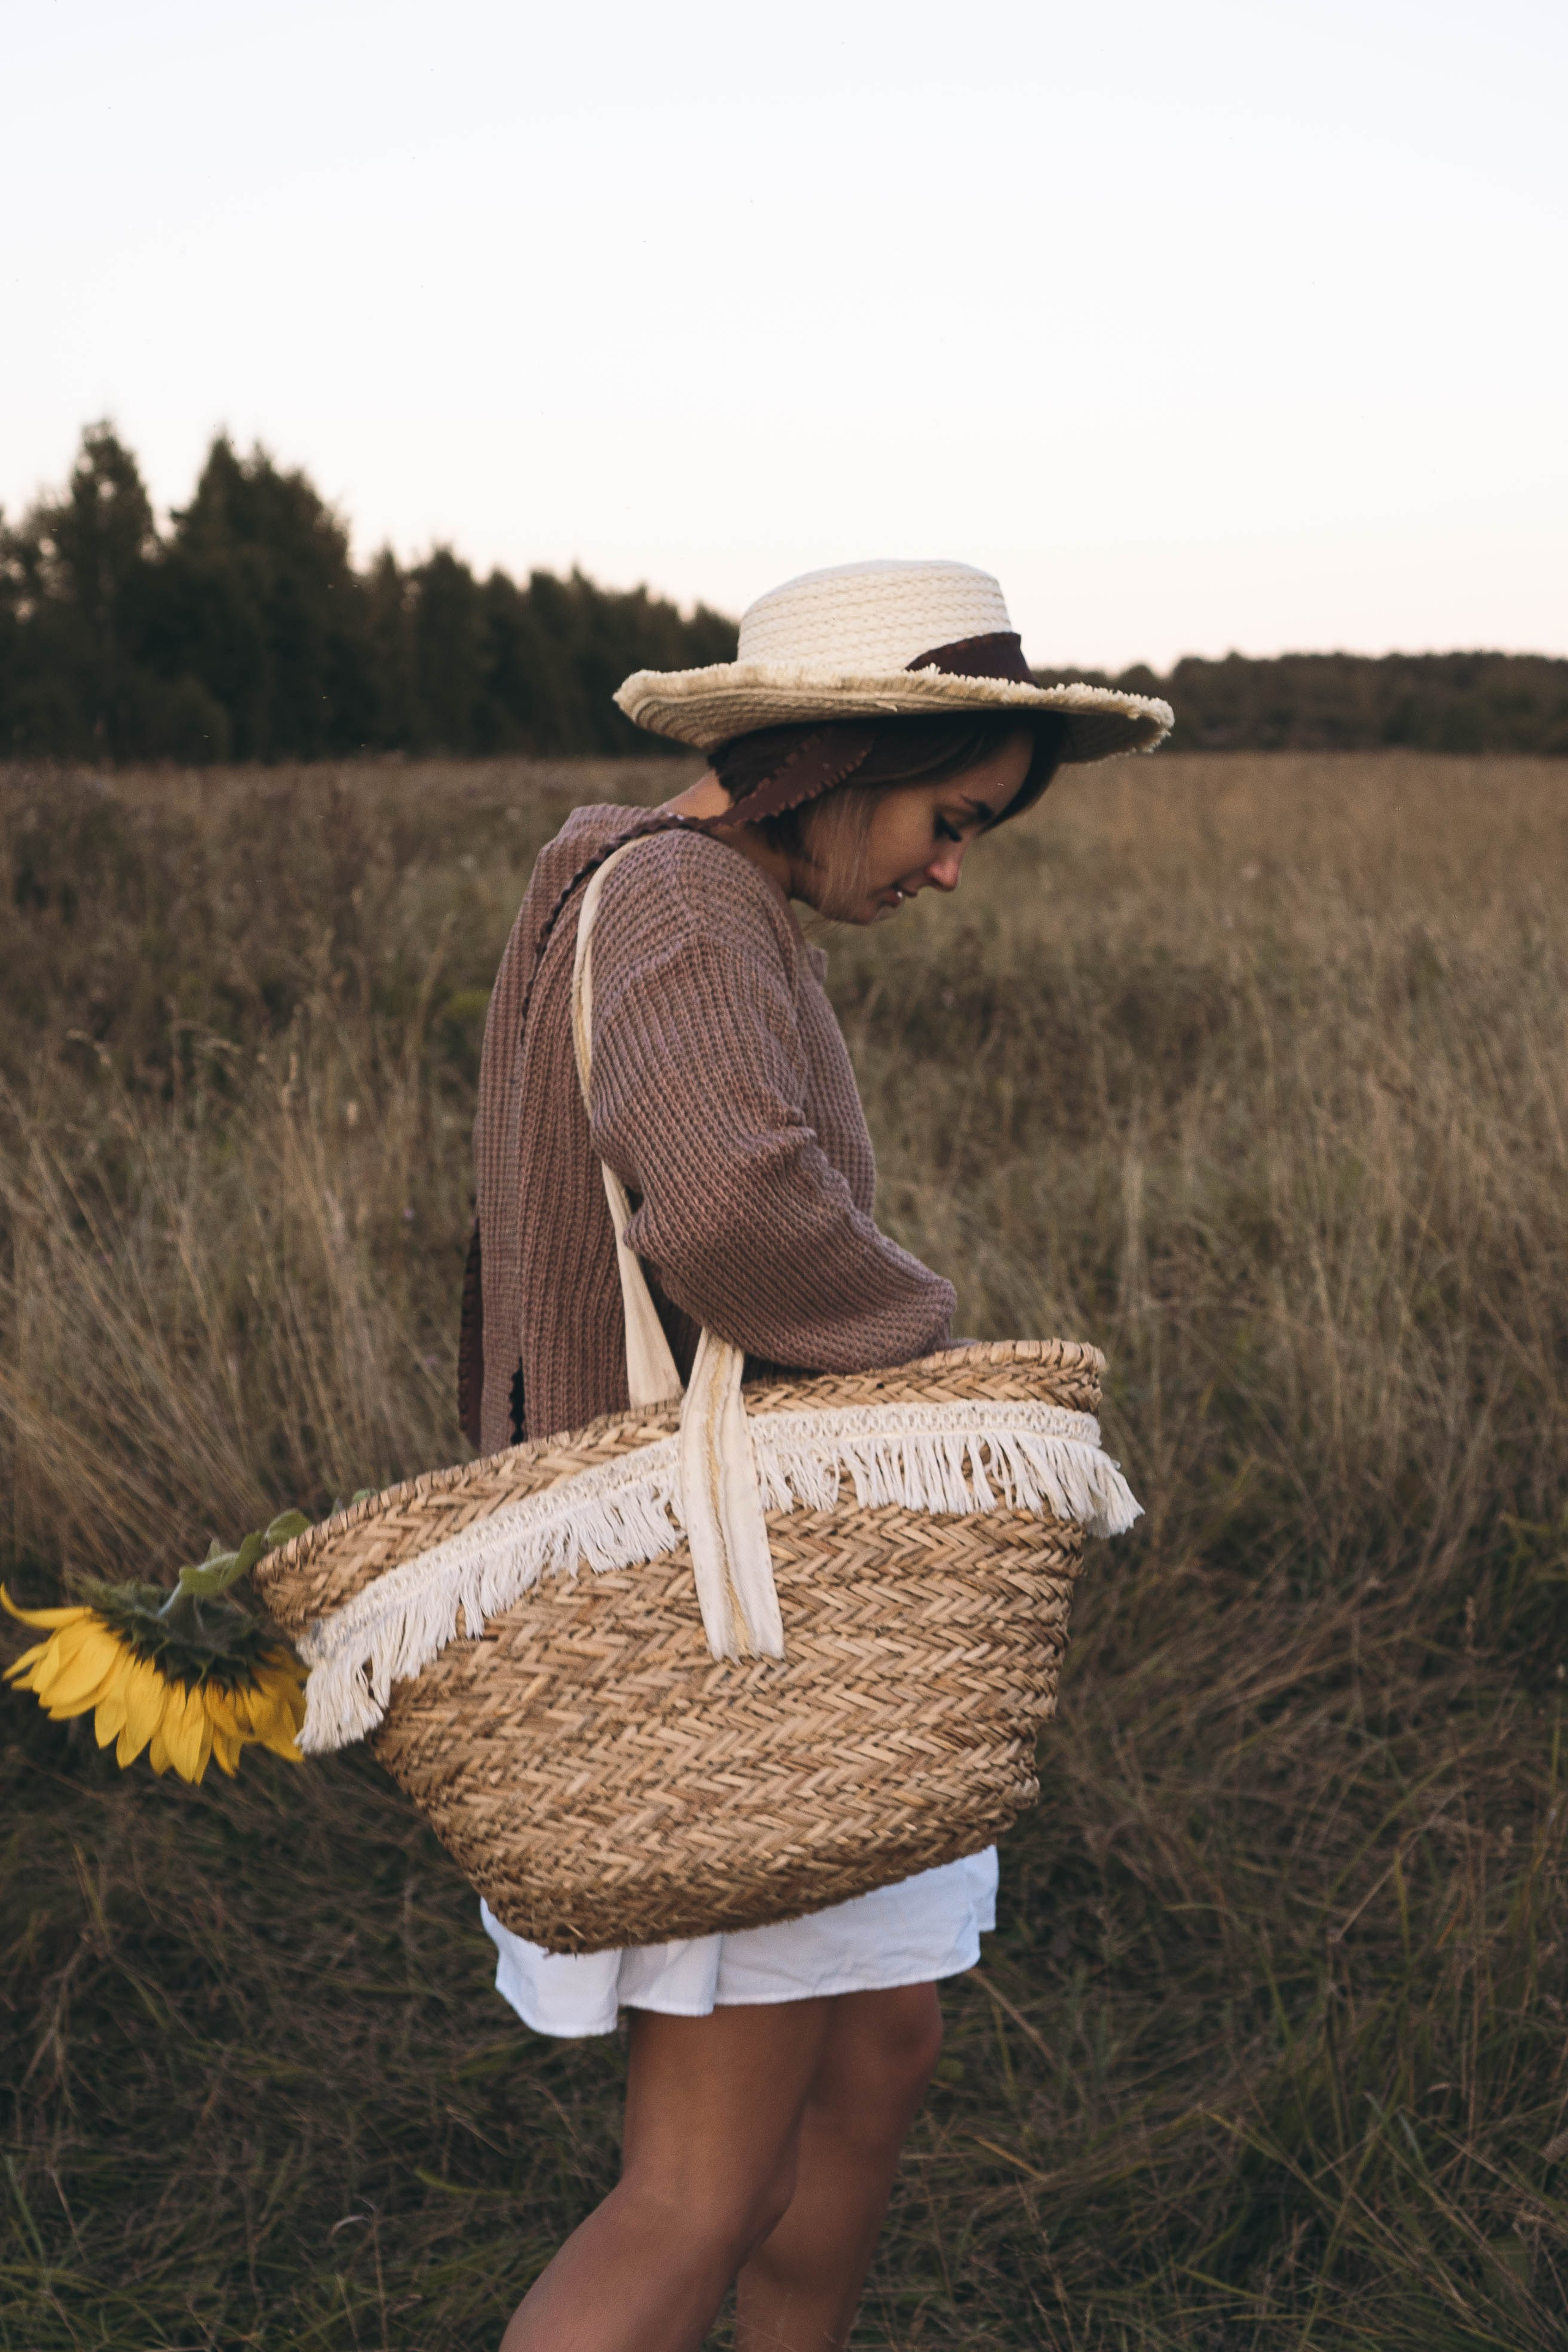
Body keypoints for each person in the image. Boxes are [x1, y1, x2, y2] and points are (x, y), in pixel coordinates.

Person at [460, 559, 1169, 2352]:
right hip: (739, 1622)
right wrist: (941, 1368)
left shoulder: (669, 894)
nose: (950, 868)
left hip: (770, 1590)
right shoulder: (692, 903)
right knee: (697, 2187)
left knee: (876, 2050)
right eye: (950, 818)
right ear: (833, 757)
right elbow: (728, 1210)